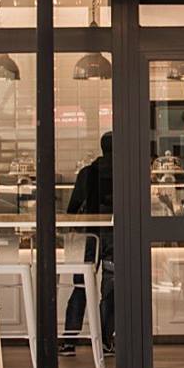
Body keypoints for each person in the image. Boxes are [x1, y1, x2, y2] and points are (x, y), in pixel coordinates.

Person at [63, 132, 115, 354]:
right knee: (111, 288)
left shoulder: (87, 173)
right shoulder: (124, 171)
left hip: (88, 238)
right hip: (114, 238)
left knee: (82, 286)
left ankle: (69, 339)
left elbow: (73, 207)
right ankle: (105, 340)